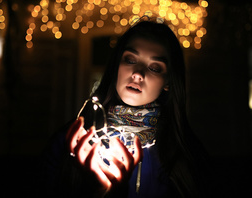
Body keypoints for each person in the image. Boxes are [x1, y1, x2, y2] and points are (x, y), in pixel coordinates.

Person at [39, 17, 211, 198]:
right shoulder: (70, 143)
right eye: (130, 60)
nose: (137, 74)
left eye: (154, 67)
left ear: (168, 81)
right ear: (117, 66)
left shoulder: (185, 154)